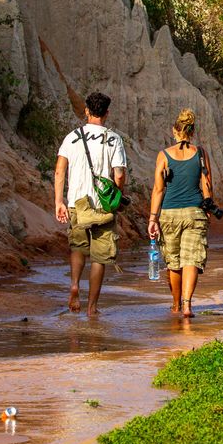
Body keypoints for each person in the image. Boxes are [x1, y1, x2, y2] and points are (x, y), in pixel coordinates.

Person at [54, 92, 128, 316]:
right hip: (102, 207)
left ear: (86, 110)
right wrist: (116, 194)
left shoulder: (71, 137)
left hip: (77, 203)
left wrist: (59, 201)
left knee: (77, 248)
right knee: (99, 258)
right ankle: (92, 307)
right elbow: (120, 175)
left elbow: (60, 170)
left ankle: (75, 284)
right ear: (107, 113)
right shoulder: (114, 139)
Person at [147, 109, 216, 318]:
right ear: (192, 131)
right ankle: (187, 305)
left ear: (174, 130)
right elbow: (207, 185)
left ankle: (176, 305)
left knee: (173, 262)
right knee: (192, 260)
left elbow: (158, 189)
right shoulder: (201, 153)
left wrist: (153, 218)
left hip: (169, 214)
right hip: (195, 212)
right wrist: (209, 209)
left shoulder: (164, 155)